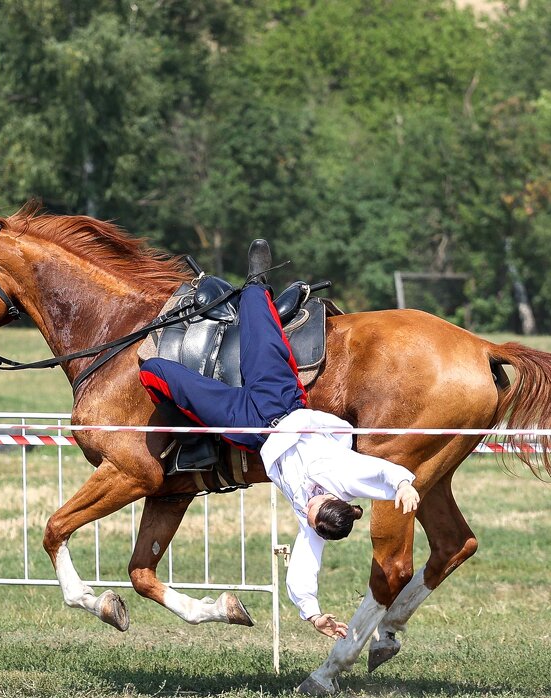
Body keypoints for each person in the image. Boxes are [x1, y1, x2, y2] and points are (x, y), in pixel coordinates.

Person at [139, 246, 419, 639]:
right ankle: (256, 284)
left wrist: (313, 614)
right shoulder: (341, 476)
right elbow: (375, 471)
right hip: (281, 402)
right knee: (262, 335)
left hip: (251, 426)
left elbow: (305, 565)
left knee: (155, 371)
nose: (306, 510)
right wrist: (403, 483)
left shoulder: (313, 526)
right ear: (333, 501)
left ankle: (183, 424)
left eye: (309, 517)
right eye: (315, 508)